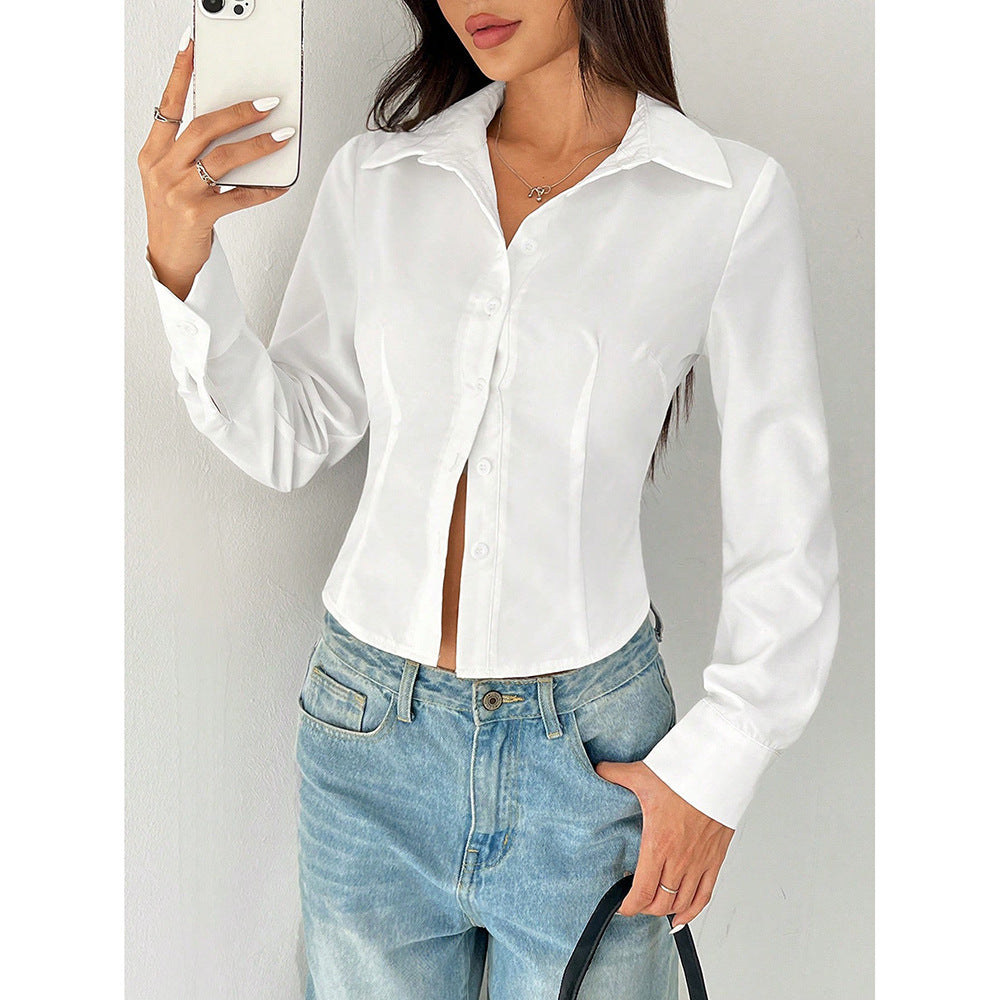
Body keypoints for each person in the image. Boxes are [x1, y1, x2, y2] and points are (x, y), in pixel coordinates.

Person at [137, 3, 840, 998]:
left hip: (593, 760)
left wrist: (723, 764)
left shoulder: (724, 195)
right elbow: (292, 436)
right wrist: (183, 261)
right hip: (367, 740)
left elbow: (784, 504)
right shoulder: (381, 178)